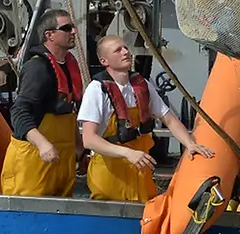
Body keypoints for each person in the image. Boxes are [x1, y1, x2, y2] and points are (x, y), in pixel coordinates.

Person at [77, 35, 214, 202]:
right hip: (110, 176)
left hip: (141, 173)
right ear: (104, 61)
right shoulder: (97, 90)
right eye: (118, 50)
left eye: (125, 47)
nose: (126, 52)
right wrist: (128, 153)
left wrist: (190, 144)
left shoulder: (142, 85)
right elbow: (89, 139)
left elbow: (169, 119)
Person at [0, 9, 84, 197]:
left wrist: (78, 146)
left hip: (61, 160)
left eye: (73, 27)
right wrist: (43, 145)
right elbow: (19, 112)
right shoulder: (37, 68)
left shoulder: (70, 66)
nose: (74, 32)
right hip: (33, 161)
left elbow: (70, 110)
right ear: (49, 35)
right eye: (67, 28)